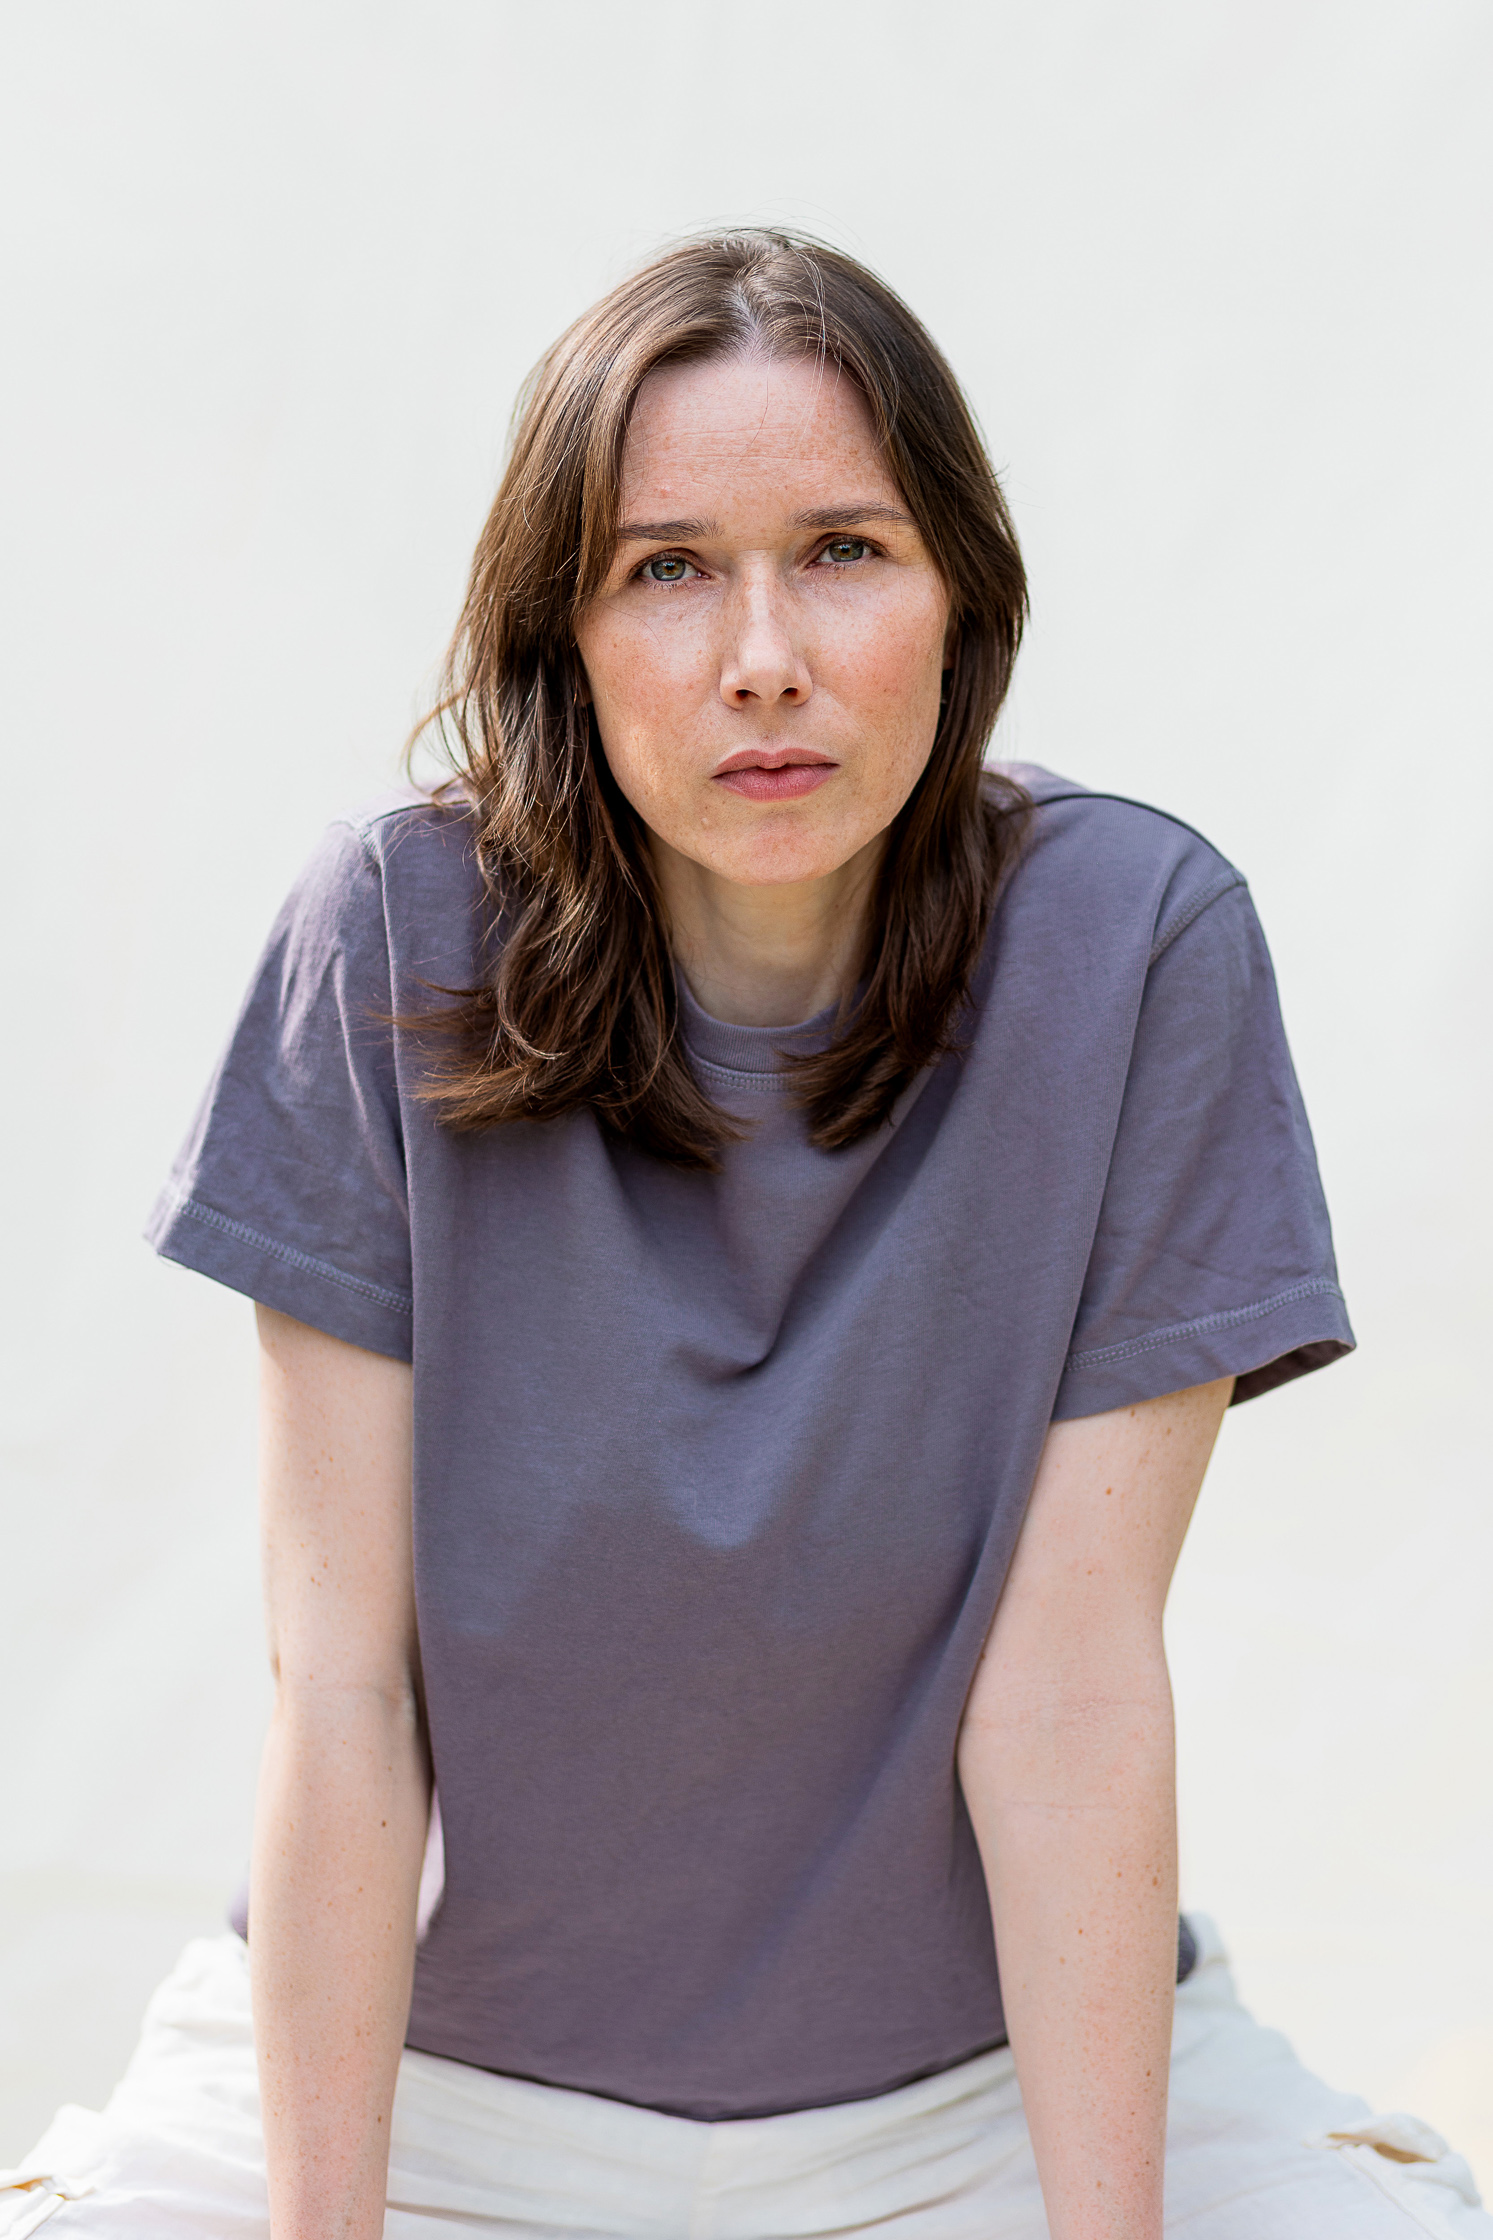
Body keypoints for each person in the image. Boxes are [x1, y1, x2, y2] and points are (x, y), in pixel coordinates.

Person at [4, 231, 1486, 2240]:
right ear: (565, 631)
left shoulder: (1135, 945)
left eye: (846, 551)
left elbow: (1065, 1693)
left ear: (961, 600)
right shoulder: (387, 932)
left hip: (980, 2088)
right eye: (668, 568)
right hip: (431, 2085)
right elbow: (344, 1693)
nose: (762, 656)